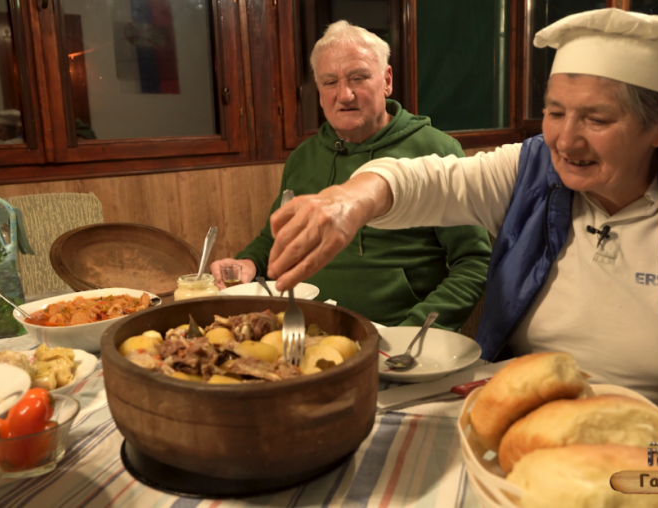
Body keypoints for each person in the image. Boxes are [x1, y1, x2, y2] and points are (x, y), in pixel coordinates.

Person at [263, 9, 658, 475]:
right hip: (533, 434)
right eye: (554, 112)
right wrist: (349, 200)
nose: (565, 140)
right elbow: (428, 180)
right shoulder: (533, 171)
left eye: (596, 119)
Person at [210, 20, 490, 330]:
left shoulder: (436, 150)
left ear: (387, 80)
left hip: (395, 332)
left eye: (358, 78)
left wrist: (414, 332)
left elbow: (474, 262)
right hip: (308, 327)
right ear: (319, 92)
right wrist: (248, 262)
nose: (344, 95)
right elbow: (275, 239)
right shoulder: (303, 158)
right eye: (330, 82)